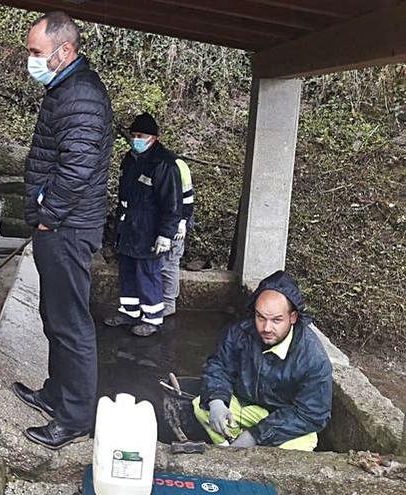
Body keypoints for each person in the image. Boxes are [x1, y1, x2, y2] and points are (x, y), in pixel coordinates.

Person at [10, 11, 113, 450]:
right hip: (59, 224)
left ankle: (74, 418)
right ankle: (56, 394)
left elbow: (77, 166)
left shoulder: (82, 95)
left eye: (36, 52)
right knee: (54, 317)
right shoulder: (65, 88)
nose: (30, 60)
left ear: (64, 51)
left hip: (68, 227)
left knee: (71, 324)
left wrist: (49, 214)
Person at [192, 270, 332, 451]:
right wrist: (217, 400)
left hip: (283, 418)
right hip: (245, 407)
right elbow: (219, 366)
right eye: (260, 317)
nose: (266, 327)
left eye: (276, 320)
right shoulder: (240, 331)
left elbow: (312, 413)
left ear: (293, 317)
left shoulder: (313, 357)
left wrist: (255, 435)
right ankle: (227, 450)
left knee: (303, 444)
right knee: (201, 406)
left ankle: (246, 447)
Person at [102, 113, 181, 337]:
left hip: (149, 229)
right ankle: (130, 311)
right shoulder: (130, 159)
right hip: (128, 227)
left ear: (153, 138)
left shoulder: (164, 164)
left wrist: (165, 234)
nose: (136, 139)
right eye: (134, 135)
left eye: (141, 135)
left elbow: (171, 204)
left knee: (148, 274)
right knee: (127, 271)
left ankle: (153, 318)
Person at [161, 153, 195, 317]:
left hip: (176, 222)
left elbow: (188, 199)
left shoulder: (177, 166)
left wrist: (182, 222)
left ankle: (168, 302)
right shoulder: (162, 164)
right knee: (162, 263)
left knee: (170, 263)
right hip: (164, 220)